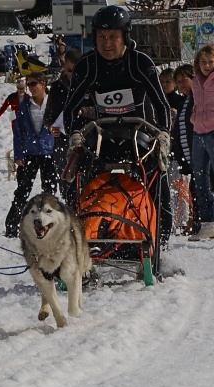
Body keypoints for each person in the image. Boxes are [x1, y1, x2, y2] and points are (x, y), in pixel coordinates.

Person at [63, 4, 173, 244]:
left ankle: (161, 235)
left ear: (125, 36)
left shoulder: (140, 63)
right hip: (102, 136)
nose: (107, 43)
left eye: (113, 36)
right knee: (72, 172)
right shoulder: (87, 65)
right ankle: (75, 233)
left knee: (159, 172)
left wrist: (164, 135)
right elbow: (70, 108)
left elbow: (162, 105)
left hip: (140, 135)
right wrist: (73, 135)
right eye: (102, 37)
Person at [4, 72, 57, 238]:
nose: (30, 88)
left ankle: (49, 224)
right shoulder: (25, 106)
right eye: (29, 84)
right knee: (22, 191)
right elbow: (18, 133)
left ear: (43, 83)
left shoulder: (54, 104)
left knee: (49, 192)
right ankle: (12, 226)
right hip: (30, 154)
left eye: (34, 84)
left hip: (50, 153)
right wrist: (18, 155)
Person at [44, 47, 82, 197]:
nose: (73, 75)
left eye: (76, 71)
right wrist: (49, 127)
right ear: (65, 67)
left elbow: (98, 110)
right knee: (66, 187)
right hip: (62, 142)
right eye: (70, 71)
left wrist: (83, 112)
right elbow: (48, 115)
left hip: (85, 140)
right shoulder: (56, 87)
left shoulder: (90, 85)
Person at [189, 44, 214, 241]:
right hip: (198, 132)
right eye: (203, 62)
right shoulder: (196, 81)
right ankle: (207, 223)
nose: (207, 65)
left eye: (211, 61)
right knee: (200, 179)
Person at [172, 64, 198, 235]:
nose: (181, 84)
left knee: (200, 188)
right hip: (188, 154)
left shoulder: (198, 99)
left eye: (184, 80)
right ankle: (196, 222)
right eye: (178, 81)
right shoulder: (183, 101)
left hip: (200, 151)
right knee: (194, 190)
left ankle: (199, 223)